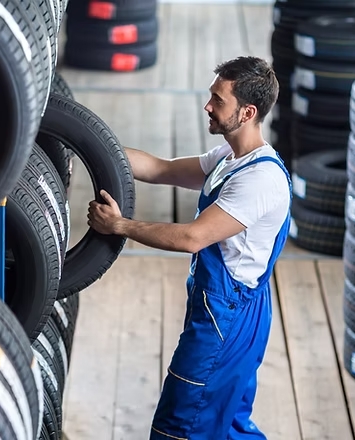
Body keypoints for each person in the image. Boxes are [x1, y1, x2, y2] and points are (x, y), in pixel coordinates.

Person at [87, 56, 290, 440]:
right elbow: (160, 169)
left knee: (181, 426)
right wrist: (89, 142)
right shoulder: (229, 159)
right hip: (226, 310)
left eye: (218, 99)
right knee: (227, 424)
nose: (208, 105)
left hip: (227, 321)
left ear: (246, 112)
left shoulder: (260, 179)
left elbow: (191, 237)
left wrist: (119, 226)